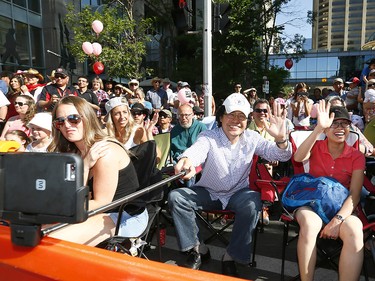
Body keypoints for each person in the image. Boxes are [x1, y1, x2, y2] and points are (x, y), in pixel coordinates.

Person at [168, 93, 292, 277]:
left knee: (252, 203)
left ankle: (231, 256)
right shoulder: (209, 136)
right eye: (230, 115)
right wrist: (186, 159)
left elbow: (281, 156)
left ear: (247, 120)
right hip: (208, 191)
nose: (235, 120)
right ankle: (197, 249)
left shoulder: (252, 137)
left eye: (241, 116)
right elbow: (197, 150)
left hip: (238, 193)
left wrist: (281, 140)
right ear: (220, 117)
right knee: (176, 197)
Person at [46, 96, 142, 246]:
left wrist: (62, 210)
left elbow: (102, 203)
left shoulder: (105, 151)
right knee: (37, 230)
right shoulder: (74, 152)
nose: (67, 125)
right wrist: (84, 166)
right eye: (60, 121)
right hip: (92, 211)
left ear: (88, 118)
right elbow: (73, 195)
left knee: (54, 242)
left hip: (123, 215)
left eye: (74, 119)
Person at [293, 101, 365, 281]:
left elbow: (354, 194)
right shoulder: (316, 147)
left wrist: (338, 220)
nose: (339, 128)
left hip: (341, 207)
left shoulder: (356, 156)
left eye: (344, 123)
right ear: (326, 128)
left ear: (349, 128)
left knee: (355, 229)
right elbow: (298, 157)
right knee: (310, 224)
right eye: (333, 123)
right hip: (311, 203)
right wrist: (318, 129)